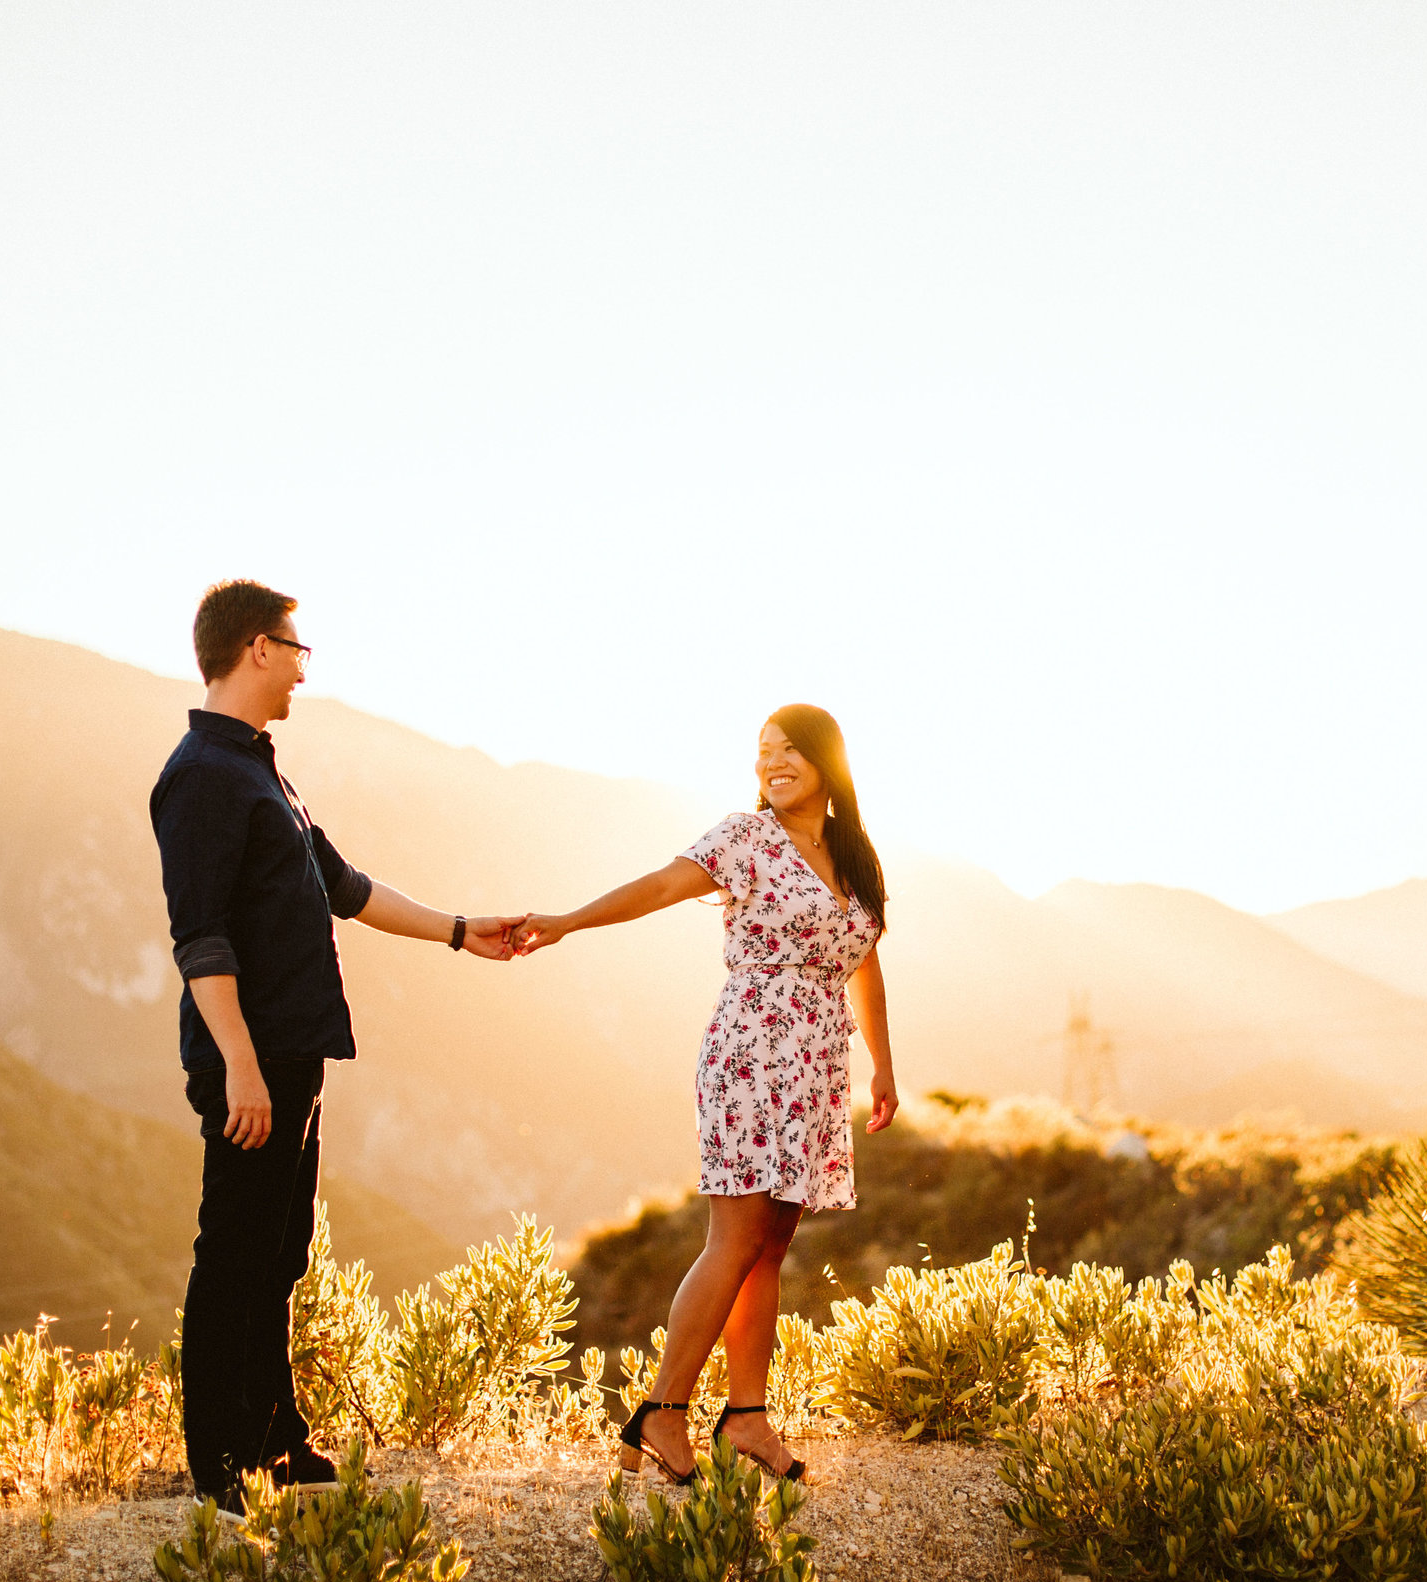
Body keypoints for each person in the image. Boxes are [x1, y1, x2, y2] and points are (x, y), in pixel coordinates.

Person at [151, 579, 522, 1515]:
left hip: (295, 1055)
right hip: (253, 1058)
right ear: (258, 649)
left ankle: (276, 1439)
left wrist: (458, 929)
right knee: (233, 1249)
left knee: (279, 1255)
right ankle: (217, 1465)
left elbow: (342, 884)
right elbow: (201, 935)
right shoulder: (200, 774)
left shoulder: (262, 767)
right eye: (298, 651)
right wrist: (237, 1059)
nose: (304, 673)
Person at [513, 704, 897, 1486]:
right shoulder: (746, 836)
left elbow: (863, 958)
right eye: (764, 752)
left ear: (829, 761)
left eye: (790, 749)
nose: (774, 762)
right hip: (754, 1048)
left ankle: (747, 1417)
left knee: (773, 1241)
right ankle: (662, 1407)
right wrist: (568, 922)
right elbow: (659, 885)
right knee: (736, 1234)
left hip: (818, 1061)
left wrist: (884, 1063)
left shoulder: (854, 854)